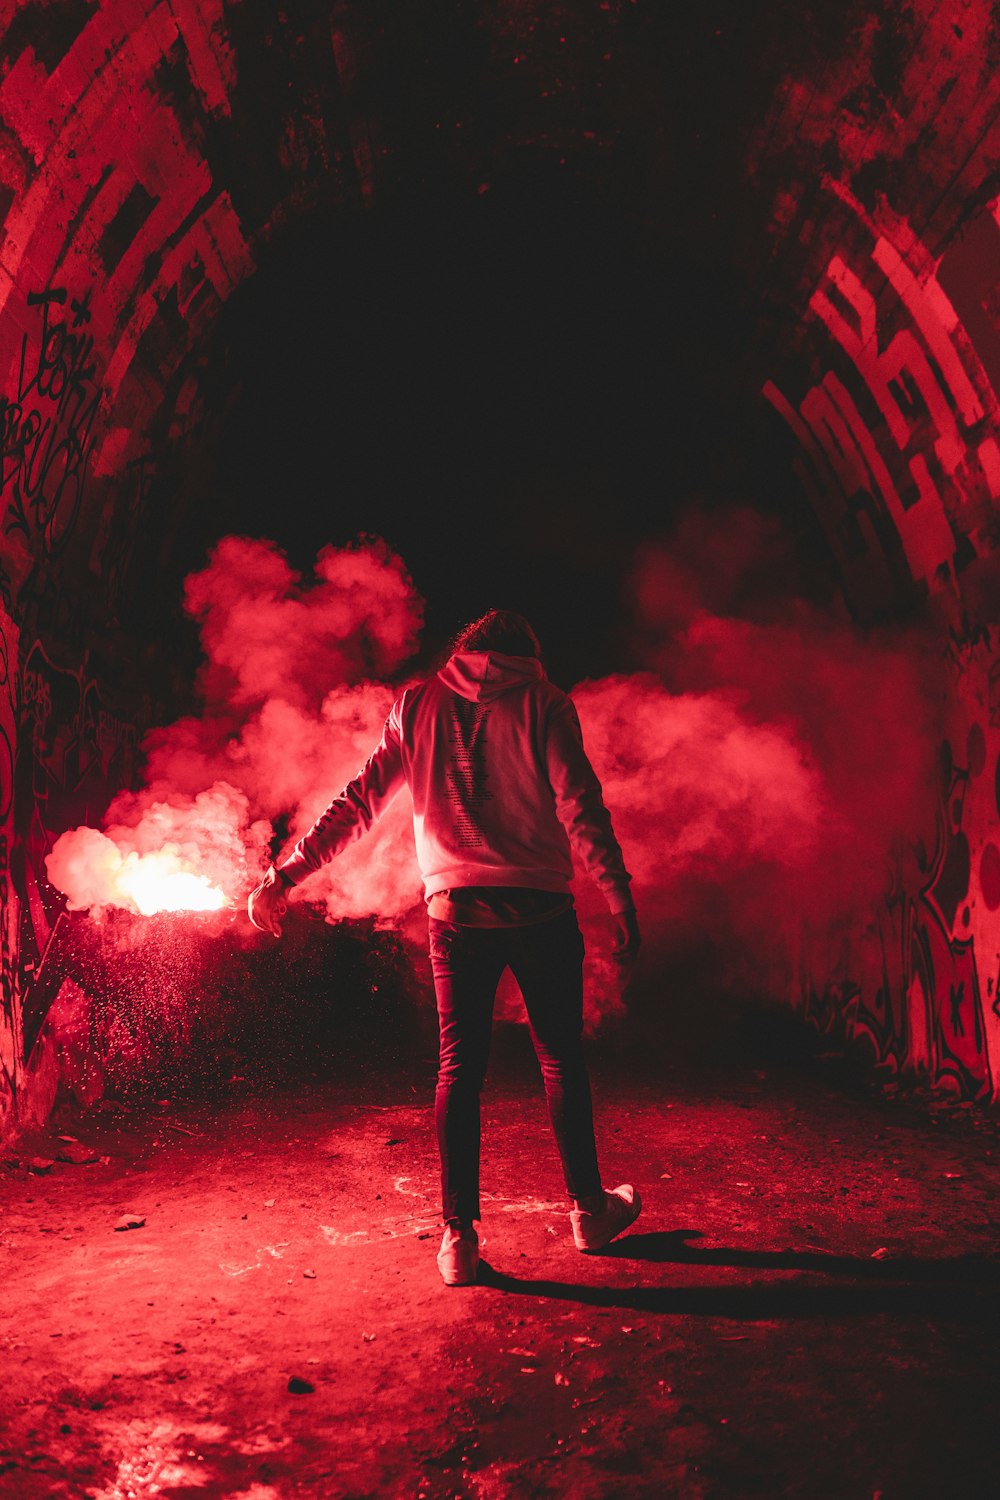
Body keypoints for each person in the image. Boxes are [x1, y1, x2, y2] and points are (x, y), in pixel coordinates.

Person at [248, 609, 641, 1286]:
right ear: (528, 655)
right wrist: (619, 895)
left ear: (464, 651)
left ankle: (457, 1239)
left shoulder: (417, 705)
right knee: (560, 1058)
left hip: (456, 913)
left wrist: (286, 875)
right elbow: (582, 804)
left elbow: (359, 804)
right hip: (542, 910)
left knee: (459, 1069)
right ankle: (588, 1212)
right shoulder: (545, 703)